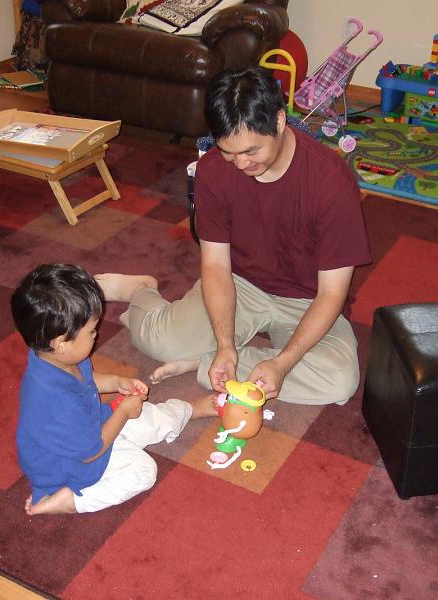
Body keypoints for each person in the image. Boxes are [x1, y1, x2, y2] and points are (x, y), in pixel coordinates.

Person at [97, 65, 371, 406]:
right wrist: (225, 344)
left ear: (280, 121)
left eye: (251, 151)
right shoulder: (213, 170)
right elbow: (215, 267)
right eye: (230, 152)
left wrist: (283, 364)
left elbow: (331, 294)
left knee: (339, 381)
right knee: (160, 341)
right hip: (240, 284)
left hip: (308, 299)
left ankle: (201, 362)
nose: (240, 164)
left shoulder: (331, 183)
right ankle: (142, 291)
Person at [11, 263, 216, 515]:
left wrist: (116, 382)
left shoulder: (54, 357)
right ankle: (70, 502)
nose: (97, 335)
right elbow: (91, 451)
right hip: (72, 464)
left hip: (91, 426)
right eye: (91, 331)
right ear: (61, 343)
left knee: (148, 415)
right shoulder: (57, 405)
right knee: (143, 472)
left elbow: (86, 378)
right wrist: (123, 413)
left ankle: (188, 410)